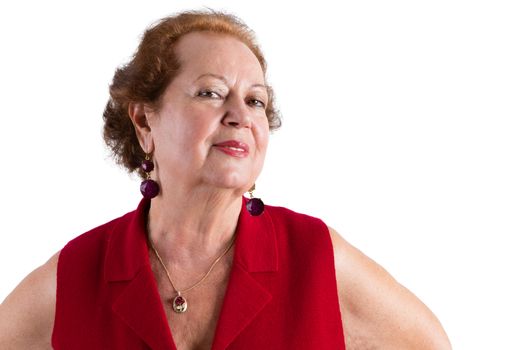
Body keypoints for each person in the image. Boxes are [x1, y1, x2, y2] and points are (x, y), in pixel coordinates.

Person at [0, 10, 451, 350]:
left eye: (256, 101)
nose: (241, 116)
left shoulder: (315, 257)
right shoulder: (78, 271)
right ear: (143, 121)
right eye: (211, 92)